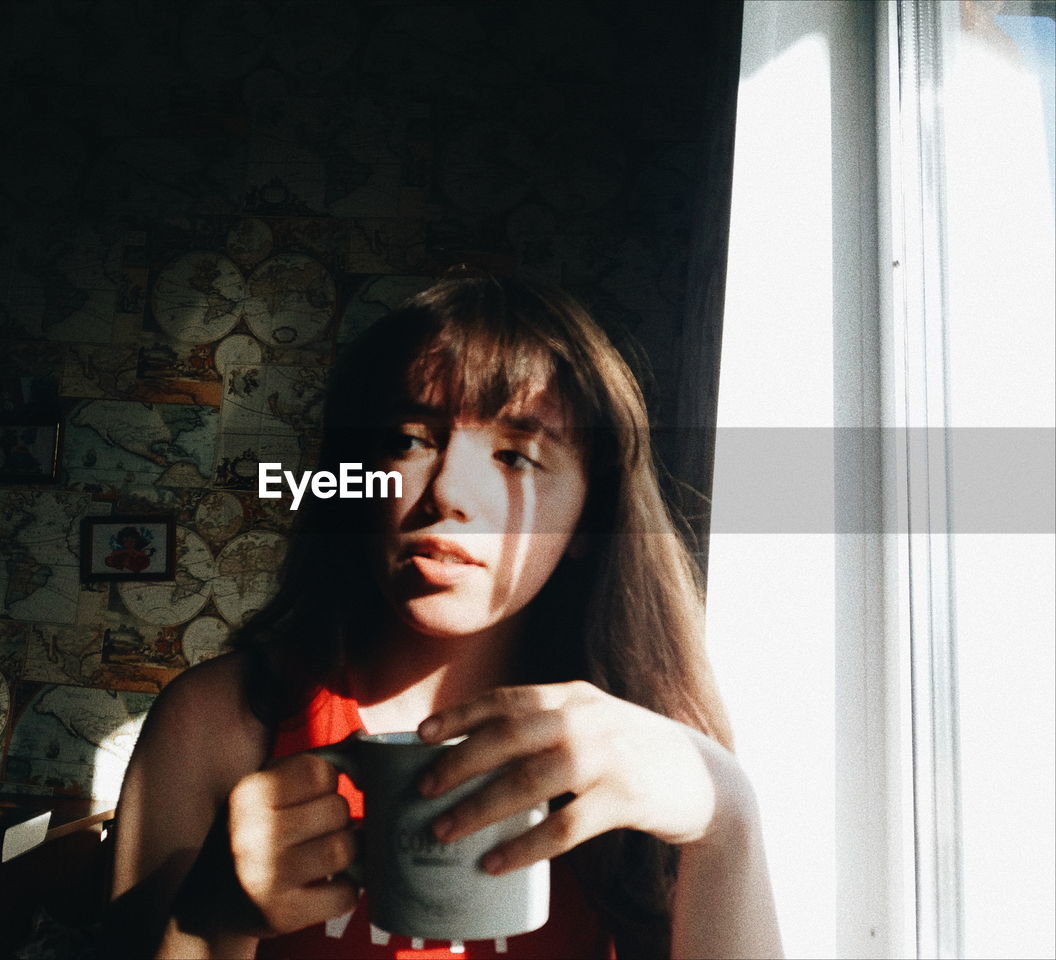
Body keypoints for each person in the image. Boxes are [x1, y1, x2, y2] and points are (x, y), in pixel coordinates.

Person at [106, 274, 782, 959]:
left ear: (590, 517)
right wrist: (210, 922)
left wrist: (728, 819)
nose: (448, 495)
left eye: (515, 455)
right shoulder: (218, 722)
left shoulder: (635, 747)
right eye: (407, 441)